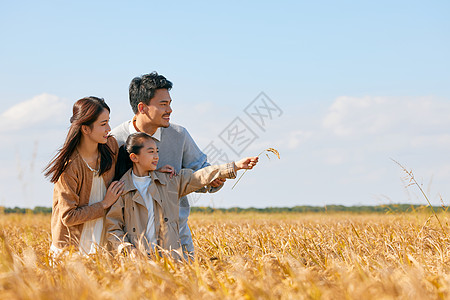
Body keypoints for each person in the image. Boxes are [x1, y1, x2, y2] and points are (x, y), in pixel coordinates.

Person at [110, 72, 224, 258]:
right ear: (142, 107)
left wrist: (213, 180)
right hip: (133, 245)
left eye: (170, 103)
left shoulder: (179, 135)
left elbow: (201, 168)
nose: (170, 110)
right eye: (163, 104)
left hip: (177, 239)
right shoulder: (115, 141)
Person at [106, 132, 258, 260]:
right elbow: (113, 227)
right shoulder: (121, 188)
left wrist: (235, 166)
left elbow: (199, 177)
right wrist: (127, 249)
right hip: (139, 263)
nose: (156, 156)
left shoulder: (168, 181)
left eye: (157, 151)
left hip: (170, 259)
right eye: (151, 152)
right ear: (134, 157)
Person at [44, 96, 125, 255]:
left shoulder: (111, 147)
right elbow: (68, 216)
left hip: (103, 247)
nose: (109, 128)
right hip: (71, 250)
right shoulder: (70, 166)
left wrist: (156, 170)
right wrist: (104, 204)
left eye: (108, 121)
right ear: (85, 129)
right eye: (103, 124)